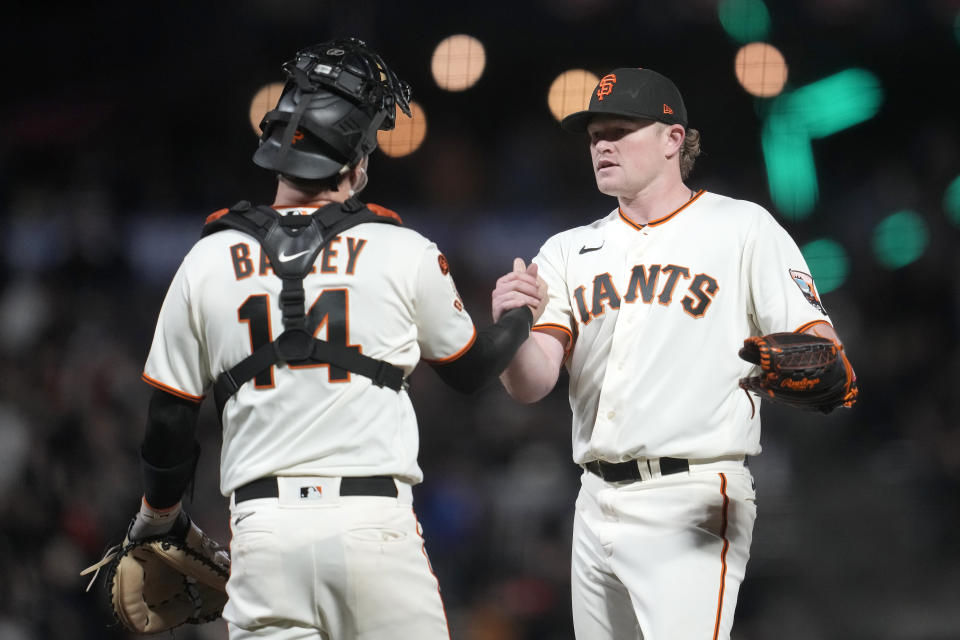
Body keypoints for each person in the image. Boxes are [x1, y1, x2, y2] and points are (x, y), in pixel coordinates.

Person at [126, 37, 544, 639]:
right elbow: (472, 371)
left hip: (263, 532)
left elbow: (169, 421)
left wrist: (156, 518)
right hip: (374, 527)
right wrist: (519, 315)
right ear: (356, 164)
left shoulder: (207, 258)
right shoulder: (403, 248)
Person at [491, 67, 858, 640]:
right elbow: (530, 383)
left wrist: (807, 366)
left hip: (692, 493)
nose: (602, 144)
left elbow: (825, 353)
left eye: (620, 129)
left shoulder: (741, 227)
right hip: (594, 499)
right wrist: (511, 331)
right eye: (593, 135)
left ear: (673, 139)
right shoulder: (567, 249)